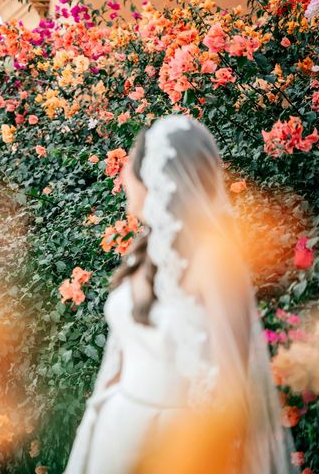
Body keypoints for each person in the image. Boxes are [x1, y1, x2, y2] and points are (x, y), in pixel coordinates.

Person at [64, 115, 293, 474]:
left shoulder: (214, 261)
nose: (123, 177)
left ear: (156, 178)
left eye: (131, 167)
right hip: (114, 431)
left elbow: (232, 387)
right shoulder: (145, 250)